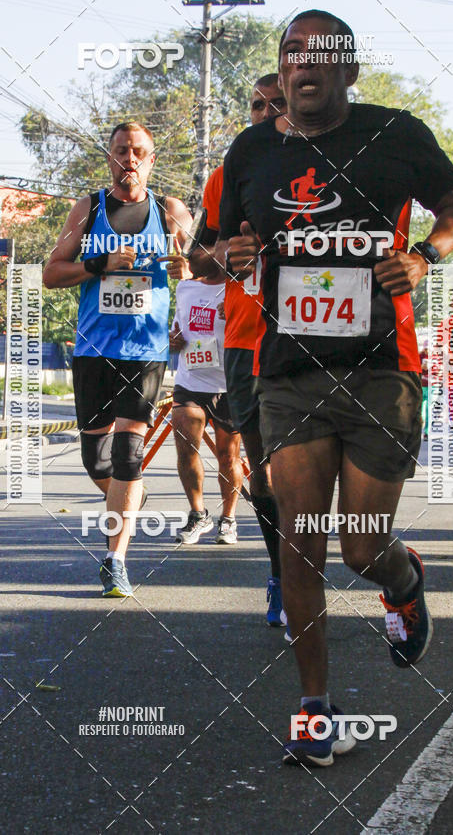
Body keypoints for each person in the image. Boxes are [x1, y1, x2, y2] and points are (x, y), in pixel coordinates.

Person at [220, 9, 453, 767]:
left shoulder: (396, 133)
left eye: (320, 54)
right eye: (291, 53)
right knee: (301, 541)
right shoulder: (253, 150)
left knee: (360, 548)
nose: (304, 65)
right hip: (289, 372)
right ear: (282, 71)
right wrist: (230, 253)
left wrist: (426, 256)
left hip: (382, 366)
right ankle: (314, 711)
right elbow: (218, 246)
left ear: (348, 70)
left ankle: (402, 577)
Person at [43, 122, 191, 597]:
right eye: (122, 150)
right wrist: (98, 265)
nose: (131, 158)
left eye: (140, 151)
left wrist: (187, 269)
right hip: (93, 349)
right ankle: (128, 496)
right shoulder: (88, 211)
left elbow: (202, 267)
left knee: (129, 453)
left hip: (146, 350)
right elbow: (51, 272)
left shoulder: (171, 212)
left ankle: (116, 560)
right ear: (109, 157)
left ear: (151, 159)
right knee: (97, 458)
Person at [206, 73, 288, 625]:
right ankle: (283, 573)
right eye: (256, 104)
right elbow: (198, 258)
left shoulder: (326, 166)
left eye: (275, 103)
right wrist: (228, 252)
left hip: (309, 338)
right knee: (261, 468)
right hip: (242, 338)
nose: (263, 112)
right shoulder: (226, 173)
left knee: (306, 466)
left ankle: (309, 562)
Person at [169, 234, 243, 544]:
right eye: (203, 249)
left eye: (219, 248)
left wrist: (239, 313)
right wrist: (173, 341)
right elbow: (177, 329)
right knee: (186, 444)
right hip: (191, 381)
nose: (211, 254)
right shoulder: (186, 288)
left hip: (230, 384)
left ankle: (228, 518)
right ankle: (198, 514)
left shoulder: (242, 289)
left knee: (228, 456)